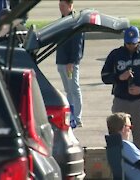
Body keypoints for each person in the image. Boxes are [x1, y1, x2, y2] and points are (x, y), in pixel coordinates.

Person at [101, 26, 140, 150]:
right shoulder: (115, 55)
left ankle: (139, 158)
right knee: (118, 134)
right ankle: (118, 157)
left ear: (138, 41)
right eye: (128, 43)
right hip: (120, 100)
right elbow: (105, 76)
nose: (130, 46)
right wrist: (119, 77)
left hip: (139, 102)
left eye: (133, 43)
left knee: (139, 136)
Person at [56, 0, 85, 128]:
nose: (61, 8)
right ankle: (71, 115)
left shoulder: (75, 22)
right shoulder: (62, 21)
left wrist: (72, 62)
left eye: (63, 6)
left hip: (69, 63)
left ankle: (77, 117)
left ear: (70, 6)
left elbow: (77, 45)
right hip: (61, 61)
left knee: (74, 89)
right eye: (59, 6)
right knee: (68, 90)